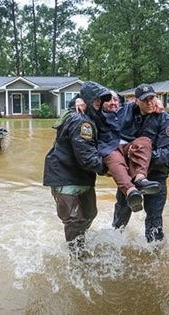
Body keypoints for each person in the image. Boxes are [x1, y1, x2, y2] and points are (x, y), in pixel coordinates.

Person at [43, 81, 111, 257]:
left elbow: (120, 108)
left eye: (101, 99)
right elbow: (87, 157)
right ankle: (76, 260)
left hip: (81, 177)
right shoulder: (81, 121)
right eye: (96, 99)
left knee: (90, 213)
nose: (99, 102)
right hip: (64, 176)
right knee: (74, 220)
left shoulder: (92, 116)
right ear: (87, 100)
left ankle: (79, 243)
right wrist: (107, 169)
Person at [112, 84, 169, 242]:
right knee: (121, 213)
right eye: (145, 100)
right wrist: (77, 102)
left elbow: (166, 155)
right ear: (137, 101)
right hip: (130, 177)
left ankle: (155, 255)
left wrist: (136, 155)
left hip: (156, 177)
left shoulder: (167, 122)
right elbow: (106, 108)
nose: (150, 102)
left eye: (152, 98)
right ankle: (114, 244)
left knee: (154, 218)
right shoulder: (127, 113)